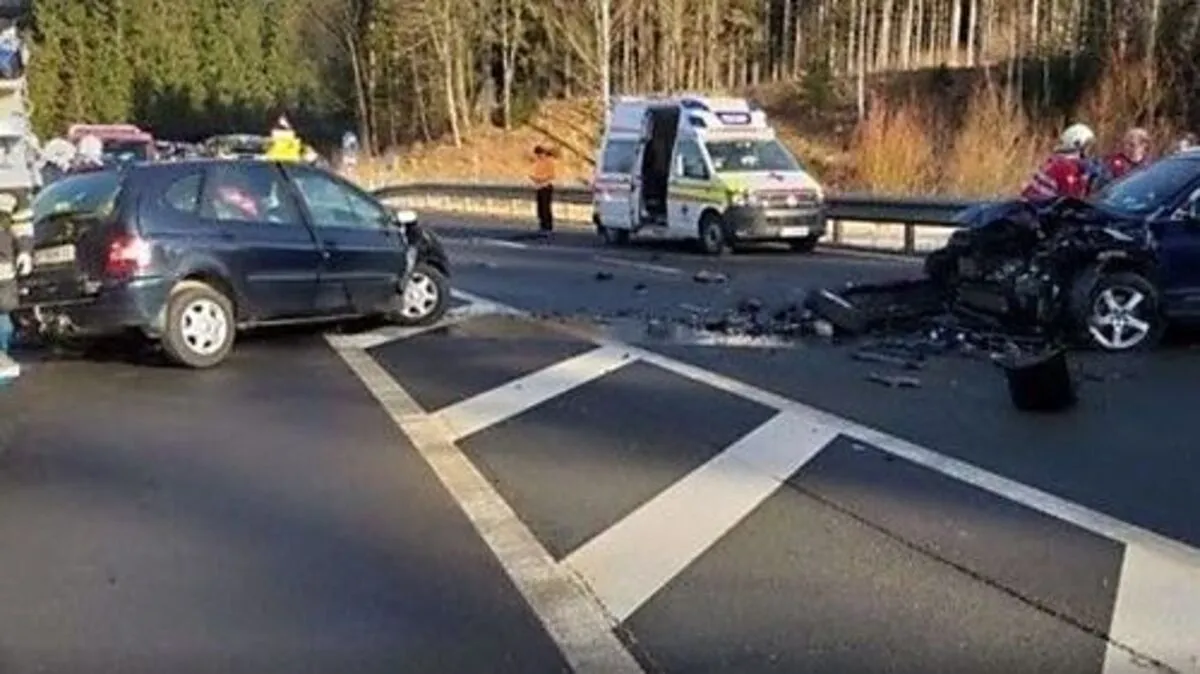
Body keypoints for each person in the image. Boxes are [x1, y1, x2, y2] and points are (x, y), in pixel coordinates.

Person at [1021, 123, 1097, 203]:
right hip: (1038, 208)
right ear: (1077, 145)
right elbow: (1073, 200)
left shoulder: (1056, 161)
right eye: (1087, 148)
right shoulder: (1065, 167)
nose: (1088, 153)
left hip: (1032, 206)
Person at [0, 190, 31, 381]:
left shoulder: (13, 189)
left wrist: (24, 251)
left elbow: (22, 224)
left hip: (4, 268)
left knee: (4, 323)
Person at [529, 145, 556, 234]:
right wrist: (534, 178)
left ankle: (548, 227)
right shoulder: (538, 162)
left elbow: (552, 175)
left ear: (543, 153)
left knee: (545, 208)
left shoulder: (549, 161)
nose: (539, 156)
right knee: (540, 208)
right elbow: (534, 172)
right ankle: (542, 225)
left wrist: (541, 178)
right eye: (537, 154)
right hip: (539, 187)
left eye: (540, 154)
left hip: (546, 186)